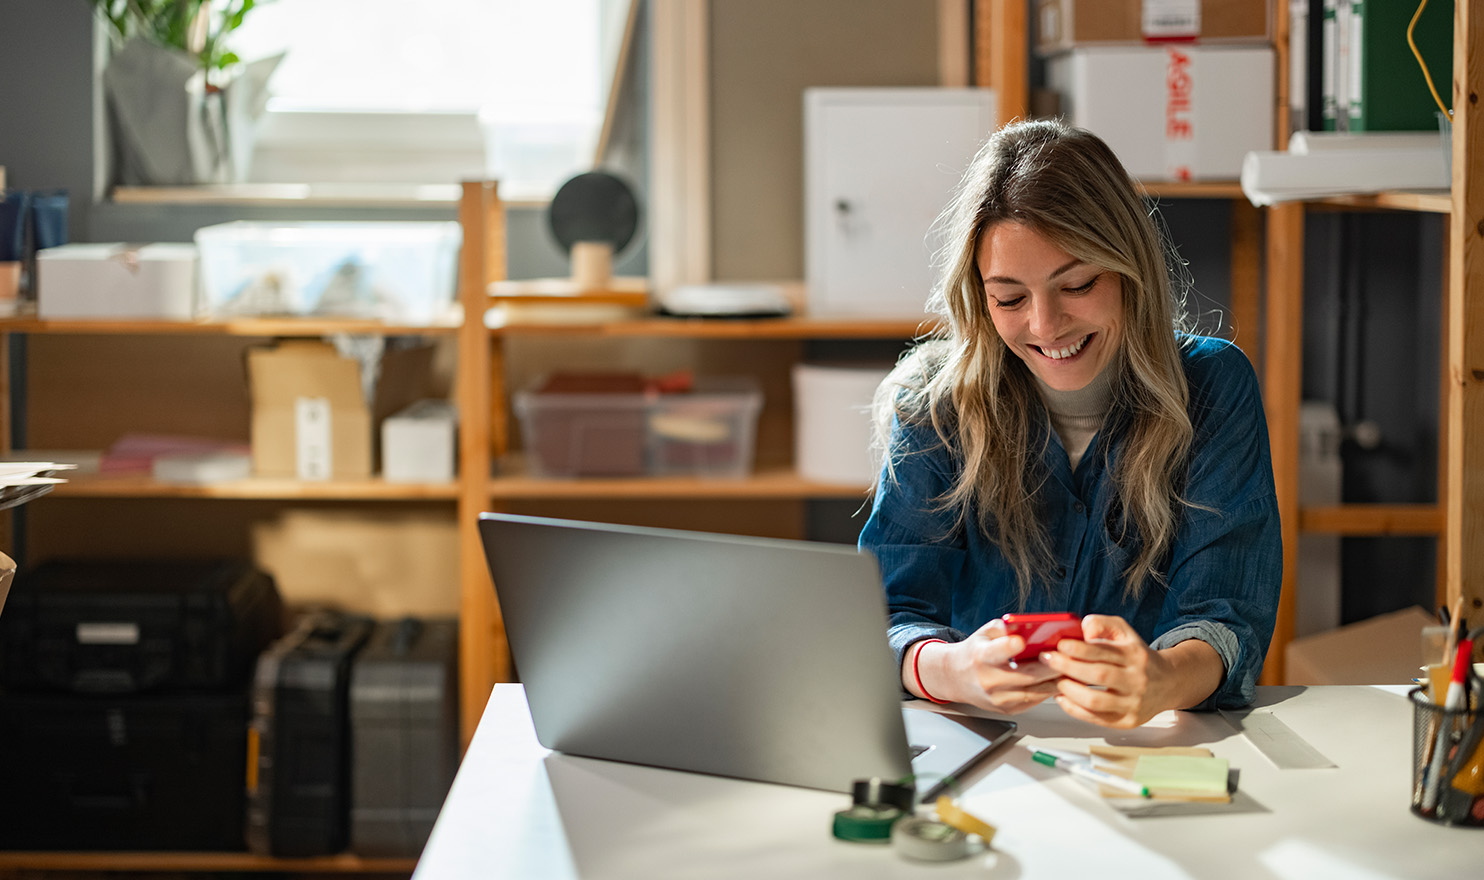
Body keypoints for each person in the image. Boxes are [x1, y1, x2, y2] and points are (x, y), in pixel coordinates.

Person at [860, 118, 1280, 730]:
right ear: (979, 299)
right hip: (983, 749)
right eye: (1009, 299)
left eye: (1077, 284)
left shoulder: (1213, 388)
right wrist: (952, 669)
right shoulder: (933, 404)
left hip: (1151, 748)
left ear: (1128, 268)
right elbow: (885, 613)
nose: (1046, 325)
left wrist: (1162, 678)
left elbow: (1226, 612)